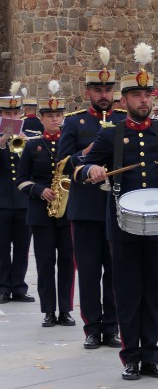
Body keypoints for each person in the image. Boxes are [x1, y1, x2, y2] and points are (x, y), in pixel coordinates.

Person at [77, 44, 158, 381]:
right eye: (136, 95)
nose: (143, 101)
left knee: (154, 291)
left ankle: (152, 355)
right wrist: (91, 172)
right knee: (128, 291)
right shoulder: (111, 135)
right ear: (124, 101)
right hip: (123, 226)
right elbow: (80, 166)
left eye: (148, 94)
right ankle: (131, 355)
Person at [58, 47, 125, 346]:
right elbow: (62, 164)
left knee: (114, 271)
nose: (103, 94)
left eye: (108, 89)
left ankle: (111, 326)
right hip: (85, 209)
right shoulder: (74, 123)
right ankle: (92, 328)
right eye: (98, 89)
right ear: (88, 92)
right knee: (87, 271)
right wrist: (86, 154)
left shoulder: (124, 120)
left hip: (117, 206)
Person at [17, 82, 74, 327]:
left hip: (68, 211)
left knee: (67, 263)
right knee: (45, 263)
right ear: (41, 118)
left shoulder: (71, 145)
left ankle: (66, 310)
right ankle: (49, 311)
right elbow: (20, 180)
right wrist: (40, 191)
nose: (55, 120)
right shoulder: (32, 146)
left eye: (59, 115)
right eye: (50, 116)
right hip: (41, 212)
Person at [0, 85, 34, 305]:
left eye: (15, 113)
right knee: (2, 247)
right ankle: (3, 287)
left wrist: (26, 145)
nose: (12, 117)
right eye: (7, 114)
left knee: (22, 247)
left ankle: (19, 287)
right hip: (2, 201)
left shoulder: (29, 138)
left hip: (23, 202)